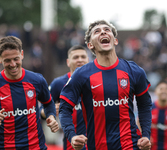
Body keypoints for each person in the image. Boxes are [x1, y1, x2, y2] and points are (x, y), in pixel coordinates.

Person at [59, 20, 152, 150]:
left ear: (115, 41)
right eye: (97, 31)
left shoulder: (134, 70)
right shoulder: (81, 74)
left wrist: (146, 135)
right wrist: (72, 136)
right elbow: (64, 108)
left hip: (130, 146)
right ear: (90, 45)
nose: (103, 31)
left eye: (107, 30)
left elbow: (145, 104)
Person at [0, 36, 59, 149]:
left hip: (36, 147)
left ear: (22, 54)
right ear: (0, 59)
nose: (12, 64)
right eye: (7, 60)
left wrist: (51, 116)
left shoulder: (37, 80)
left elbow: (48, 103)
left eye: (16, 58)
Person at [40, 45, 89, 150]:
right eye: (76, 57)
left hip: (95, 143)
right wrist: (50, 112)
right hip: (70, 144)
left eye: (83, 57)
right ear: (68, 62)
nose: (80, 60)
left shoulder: (96, 80)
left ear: (88, 60)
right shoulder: (58, 83)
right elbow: (42, 110)